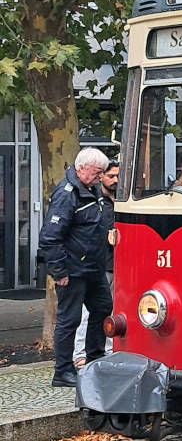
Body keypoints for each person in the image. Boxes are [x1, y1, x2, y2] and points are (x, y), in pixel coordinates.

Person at [39, 148, 113, 388]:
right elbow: (50, 237)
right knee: (69, 320)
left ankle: (94, 359)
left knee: (103, 308)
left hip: (93, 268)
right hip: (72, 270)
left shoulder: (92, 190)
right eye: (97, 172)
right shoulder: (67, 194)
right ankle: (62, 371)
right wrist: (59, 272)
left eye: (102, 173)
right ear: (82, 168)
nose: (100, 177)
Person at [72, 160, 118, 368]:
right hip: (100, 264)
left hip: (116, 264)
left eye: (118, 176)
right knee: (88, 312)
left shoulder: (118, 200)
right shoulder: (97, 200)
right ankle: (80, 352)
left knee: (109, 308)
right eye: (110, 176)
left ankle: (107, 348)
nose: (115, 180)